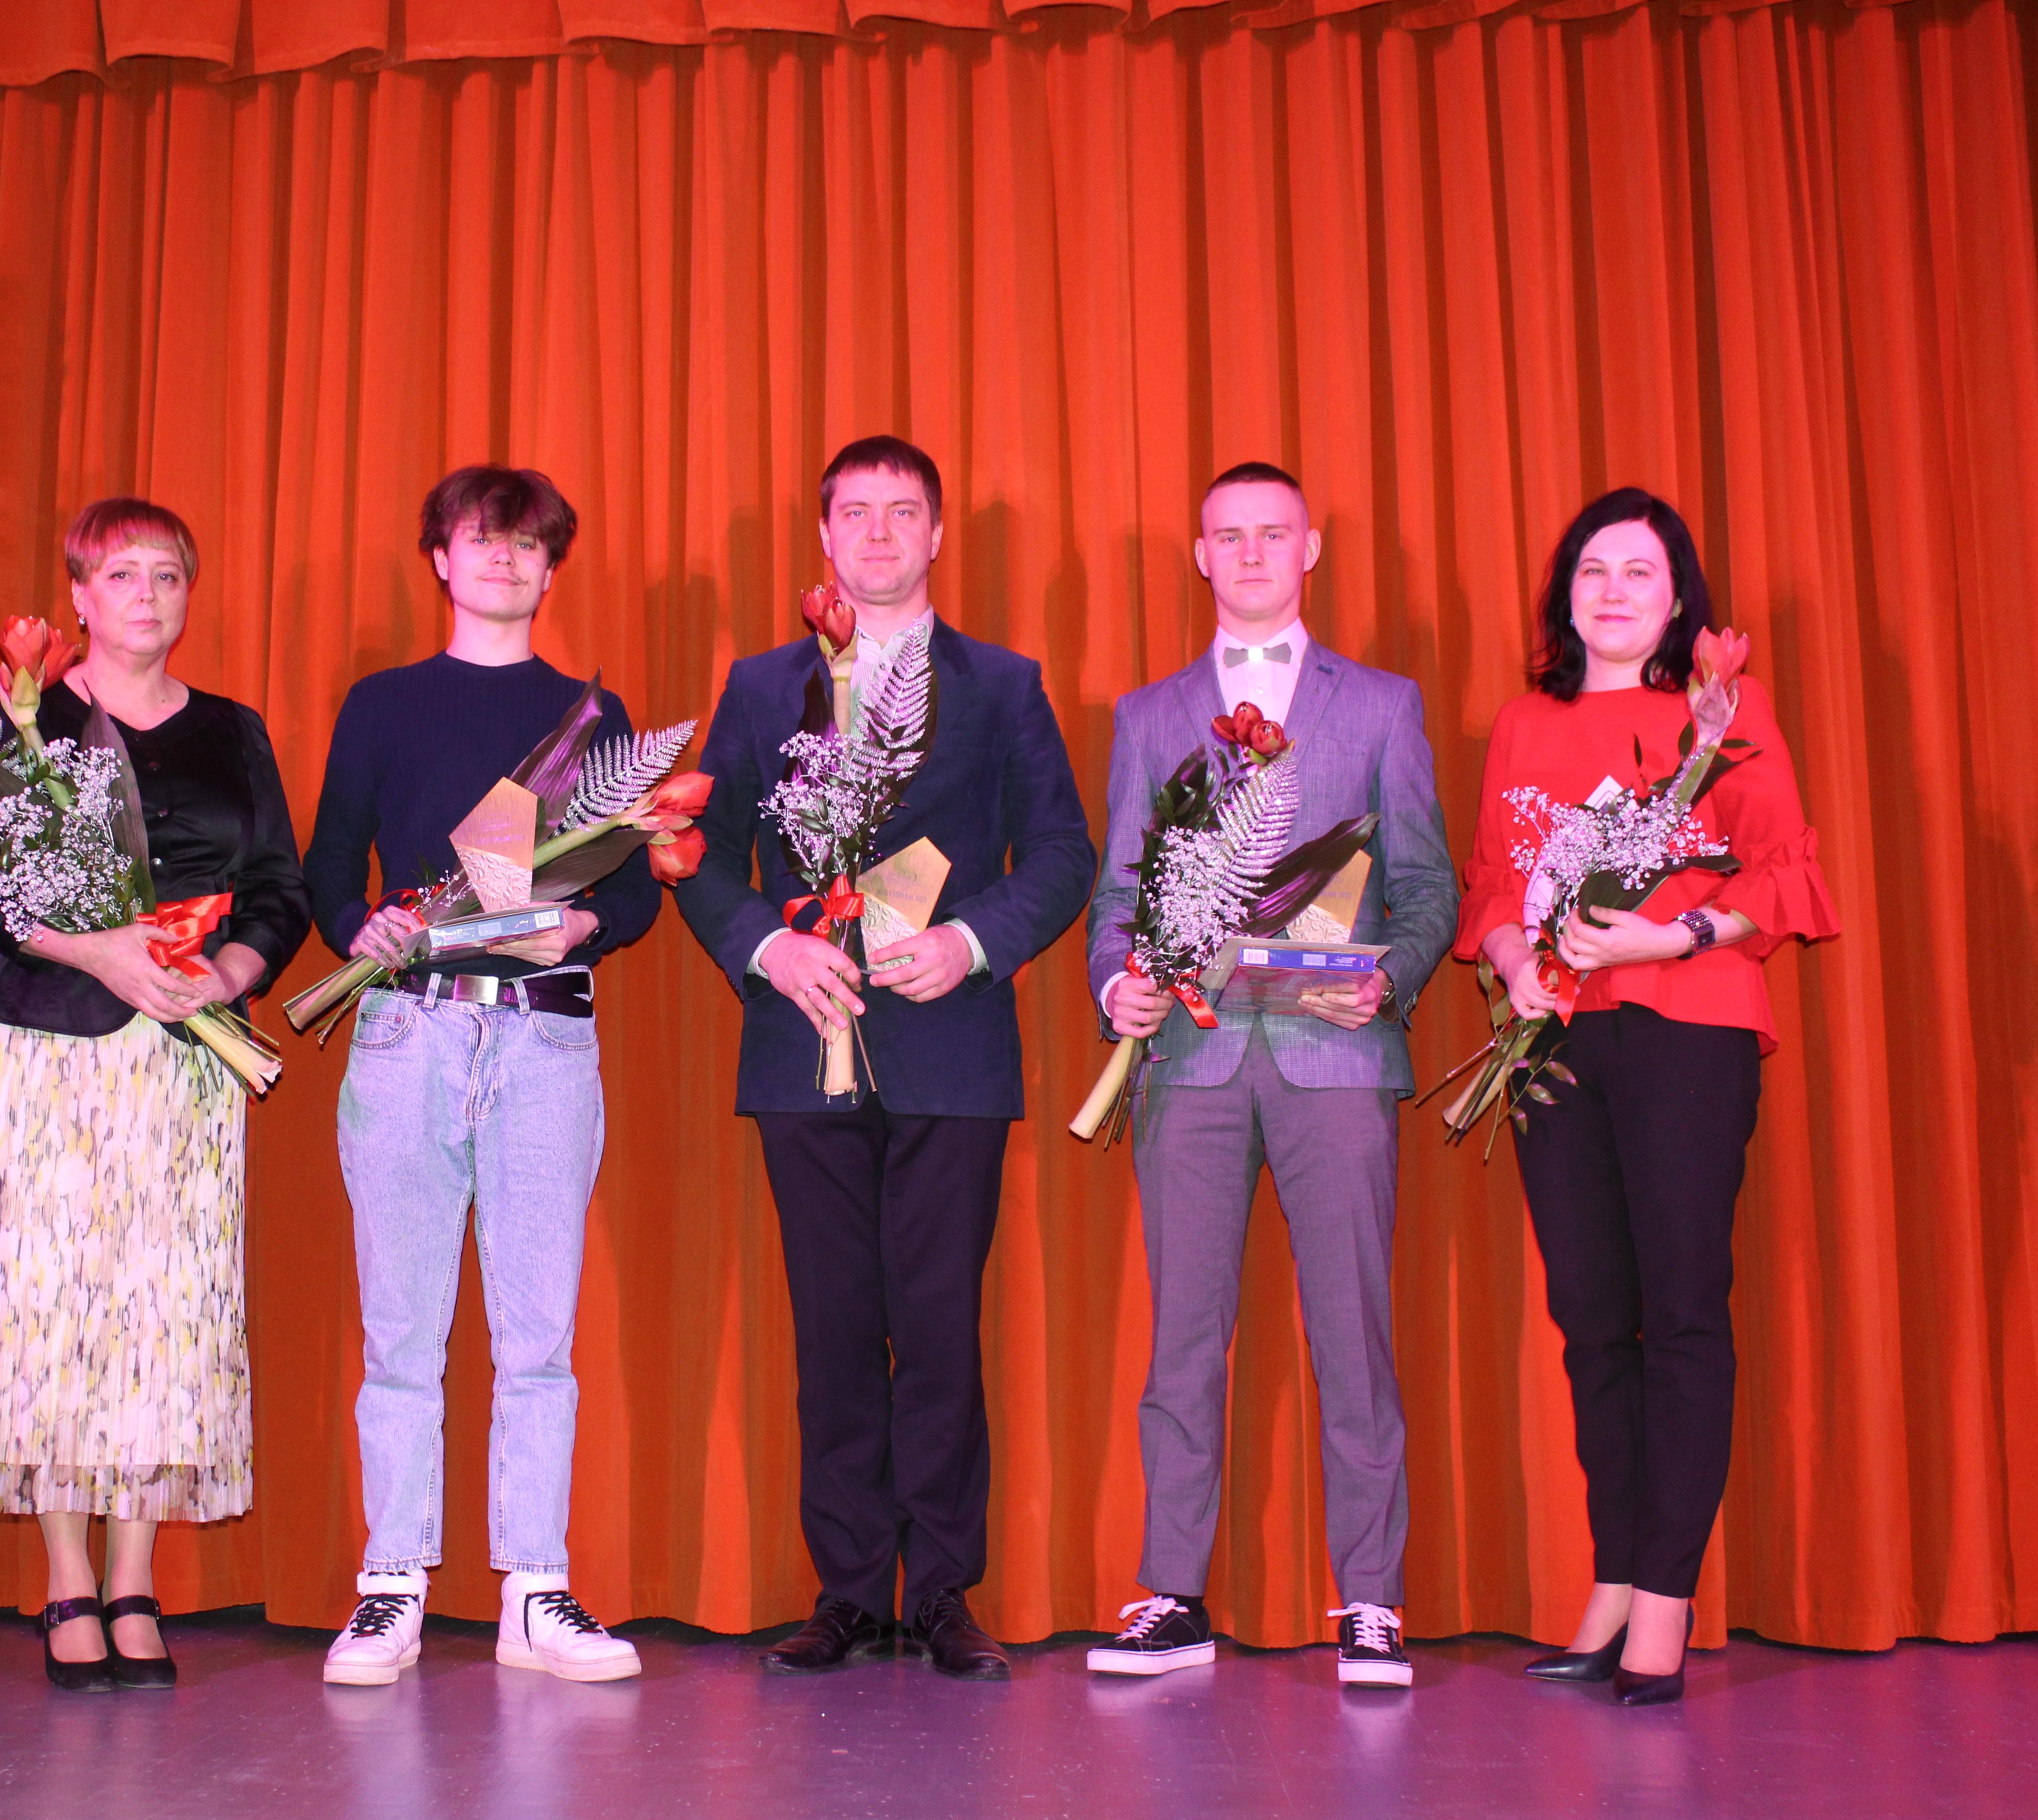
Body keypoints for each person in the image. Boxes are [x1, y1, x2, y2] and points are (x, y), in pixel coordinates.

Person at [675, 435, 1095, 1679]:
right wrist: (769, 951)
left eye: (901, 512)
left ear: (938, 535)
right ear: (823, 537)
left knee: (942, 1333)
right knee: (835, 1334)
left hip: (949, 1051)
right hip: (802, 1043)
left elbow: (1062, 853)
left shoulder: (1003, 685)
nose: (876, 533)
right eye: (853, 512)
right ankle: (852, 1591)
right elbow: (701, 857)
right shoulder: (762, 686)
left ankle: (946, 1593)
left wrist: (973, 941)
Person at [1460, 487, 1837, 1706]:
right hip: (1556, 1042)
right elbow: (1492, 880)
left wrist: (1666, 939)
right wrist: (1515, 958)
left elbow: (1784, 874)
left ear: (1679, 601)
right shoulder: (1524, 723)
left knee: (1680, 1315)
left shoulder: (1723, 712)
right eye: (1592, 571)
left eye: (1639, 572)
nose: (1612, 591)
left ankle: (1667, 1600)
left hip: (1688, 1031)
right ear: (1563, 597)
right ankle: (1616, 1581)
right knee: (1591, 1319)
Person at [1083, 462, 1456, 1690]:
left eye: (1272, 533)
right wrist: (1117, 985)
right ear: (1200, 556)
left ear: (1311, 547)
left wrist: (1389, 978)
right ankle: (1173, 1595)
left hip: (1335, 1054)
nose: (1250, 553)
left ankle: (1373, 1600)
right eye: (1228, 536)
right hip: (1190, 1061)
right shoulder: (1149, 716)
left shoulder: (1384, 706)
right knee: (1183, 1339)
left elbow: (1427, 885)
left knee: (1354, 1331)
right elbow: (1118, 895)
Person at [0, 498, 311, 1693]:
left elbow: (280, 890)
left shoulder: (233, 732)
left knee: (159, 1312)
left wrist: (225, 975)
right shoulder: (14, 721)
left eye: (168, 575)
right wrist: (98, 953)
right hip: (42, 1045)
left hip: (181, 1055)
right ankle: (65, 1582)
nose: (148, 595)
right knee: (48, 1311)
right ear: (79, 600)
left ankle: (135, 1579)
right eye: (123, 574)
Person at [303, 464, 662, 1687]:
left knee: (539, 1336)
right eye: (481, 539)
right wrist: (357, 926)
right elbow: (327, 867)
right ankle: (391, 1587)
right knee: (402, 1332)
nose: (504, 559)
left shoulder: (590, 718)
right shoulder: (383, 703)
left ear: (552, 569)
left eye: (527, 544)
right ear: (441, 559)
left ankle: (534, 1589)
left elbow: (628, 892)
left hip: (545, 1037)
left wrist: (584, 928)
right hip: (410, 1033)